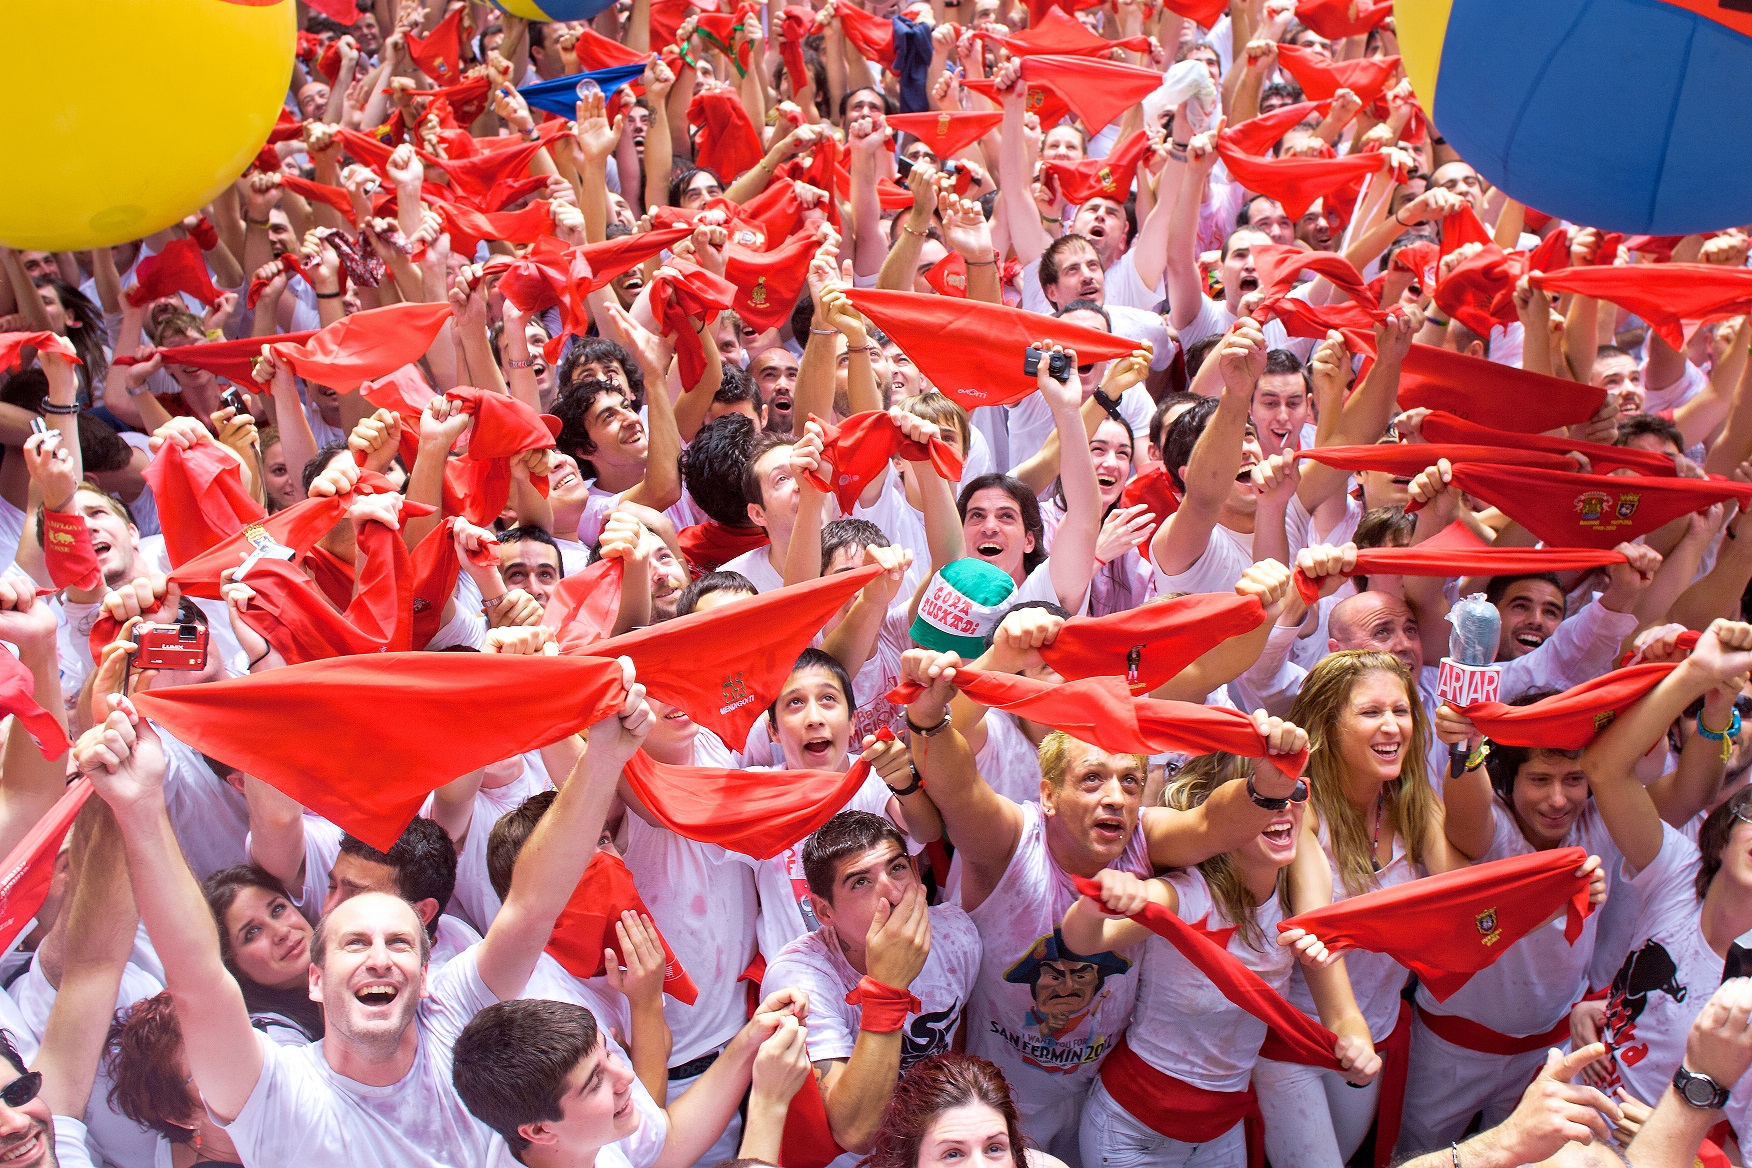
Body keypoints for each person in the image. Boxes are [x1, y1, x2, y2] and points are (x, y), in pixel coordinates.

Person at [71, 656, 654, 1167]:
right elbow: (199, 980)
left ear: (428, 976)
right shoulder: (277, 1098)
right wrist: (141, 806)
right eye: (354, 943)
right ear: (317, 981)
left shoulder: (453, 1021)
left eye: (400, 943)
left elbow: (530, 908)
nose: (380, 958)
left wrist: (603, 757)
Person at [895, 613, 1310, 1159]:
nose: (1115, 796)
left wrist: (1266, 786)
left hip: (1100, 1094)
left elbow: (1213, 824)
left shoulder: (1143, 836)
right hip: (998, 1110)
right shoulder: (1009, 841)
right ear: (1047, 794)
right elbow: (956, 785)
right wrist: (926, 721)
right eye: (1092, 779)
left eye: (1130, 781)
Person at [1063, 753, 1380, 1168]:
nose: (1283, 807)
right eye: (1265, 799)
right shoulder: (1190, 896)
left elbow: (1344, 1017)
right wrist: (1099, 902)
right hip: (1132, 1135)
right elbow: (1081, 941)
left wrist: (1358, 1049)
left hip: (1220, 1133)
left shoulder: (1298, 902)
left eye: (1294, 792)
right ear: (1231, 816)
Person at [760, 810, 981, 1155]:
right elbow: (856, 1134)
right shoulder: (799, 977)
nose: (893, 894)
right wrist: (887, 987)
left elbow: (958, 1031)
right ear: (823, 912)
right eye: (860, 882)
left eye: (897, 868)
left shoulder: (958, 935)